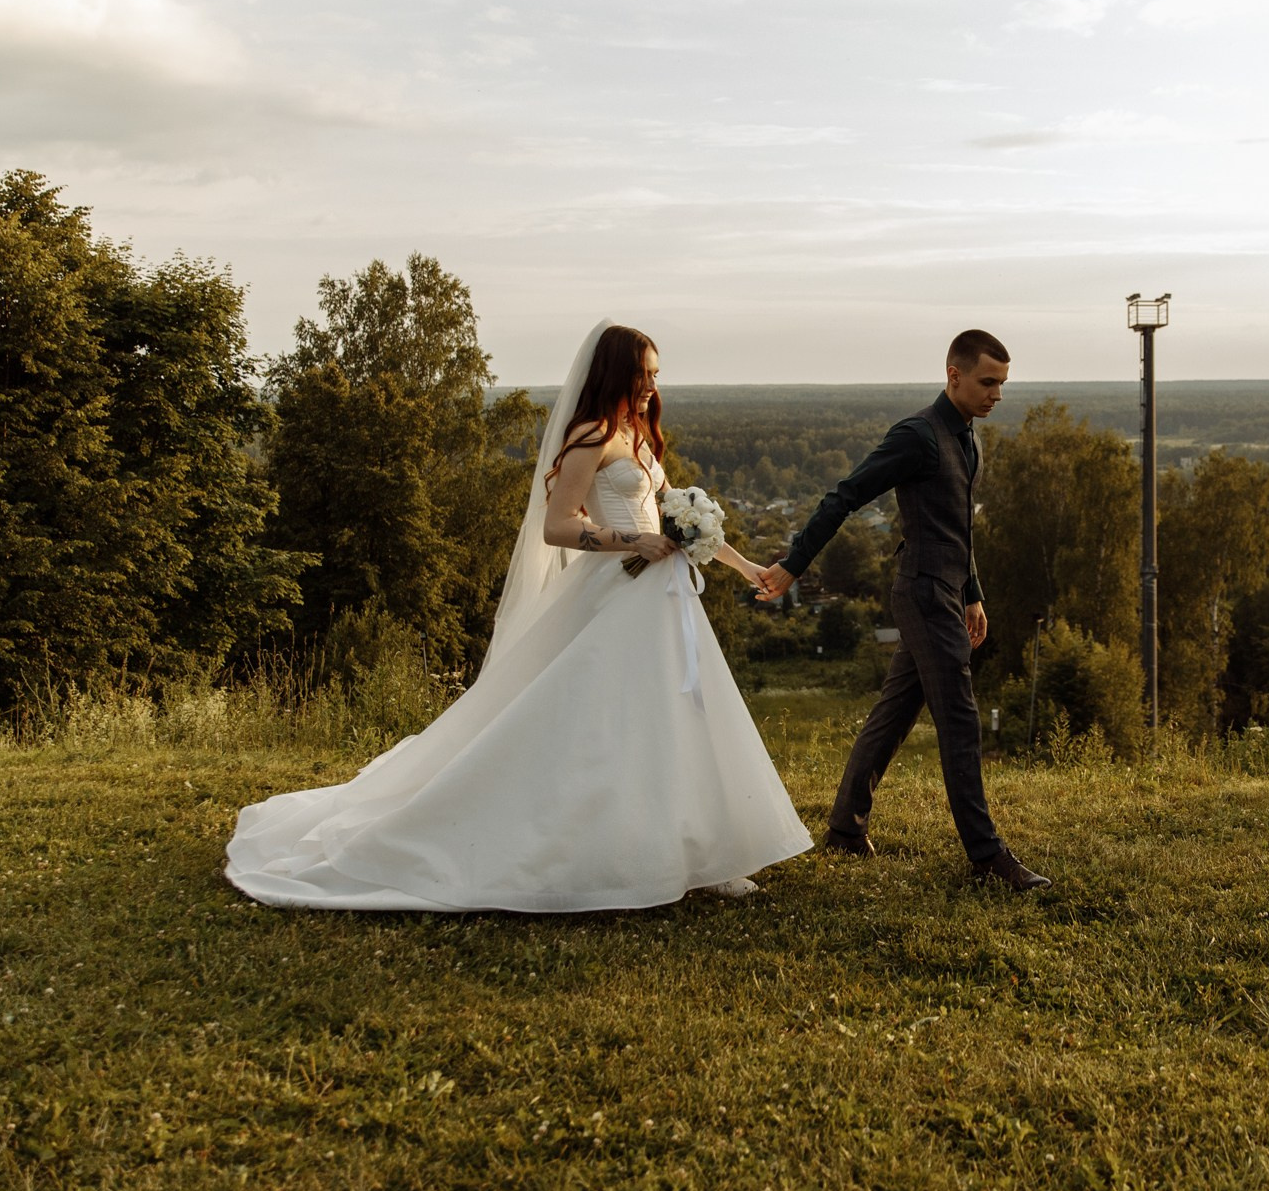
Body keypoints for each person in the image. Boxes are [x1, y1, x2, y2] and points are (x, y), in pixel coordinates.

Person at [226, 321, 811, 912]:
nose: (652, 387)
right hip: (615, 591)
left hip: (664, 600)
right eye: (643, 375)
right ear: (615, 374)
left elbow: (678, 524)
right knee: (602, 723)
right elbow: (557, 525)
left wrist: (744, 567)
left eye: (656, 376)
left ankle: (703, 853)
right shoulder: (591, 437)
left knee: (677, 717)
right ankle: (596, 845)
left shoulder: (639, 434)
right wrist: (627, 540)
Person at [758, 330, 1050, 891]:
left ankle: (845, 829)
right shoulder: (917, 435)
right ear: (954, 375)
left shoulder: (968, 438)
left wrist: (973, 592)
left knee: (894, 713)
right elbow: (844, 496)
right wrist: (793, 564)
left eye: (1003, 385)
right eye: (988, 382)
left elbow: (957, 528)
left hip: (946, 589)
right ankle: (987, 859)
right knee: (960, 719)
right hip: (919, 591)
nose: (996, 395)